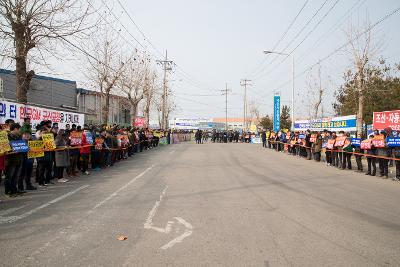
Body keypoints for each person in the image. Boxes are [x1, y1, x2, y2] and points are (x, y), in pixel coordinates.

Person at [5, 123, 24, 196]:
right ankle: (8, 191)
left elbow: (22, 146)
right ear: (15, 129)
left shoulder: (19, 136)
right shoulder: (7, 136)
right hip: (10, 159)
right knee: (9, 176)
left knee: (16, 176)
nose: (20, 131)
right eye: (19, 129)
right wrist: (11, 150)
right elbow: (5, 148)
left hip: (19, 158)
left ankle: (14, 190)